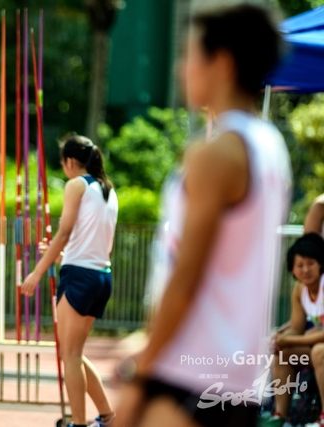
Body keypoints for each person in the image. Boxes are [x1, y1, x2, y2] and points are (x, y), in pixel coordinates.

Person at [113, 4, 291, 427]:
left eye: (190, 55)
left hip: (187, 372)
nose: (181, 68)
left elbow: (187, 274)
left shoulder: (216, 154)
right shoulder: (270, 146)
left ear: (223, 63)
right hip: (235, 378)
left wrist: (141, 370)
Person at [21, 133, 119, 427]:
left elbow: (63, 233)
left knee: (70, 355)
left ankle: (78, 423)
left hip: (80, 277)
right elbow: (99, 244)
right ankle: (107, 416)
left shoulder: (76, 185)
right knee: (74, 353)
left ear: (70, 161)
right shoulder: (108, 190)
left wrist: (38, 272)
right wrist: (62, 257)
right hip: (101, 276)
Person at [271, 233, 324, 425]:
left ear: (321, 265)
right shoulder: (299, 290)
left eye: (311, 263)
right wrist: (280, 339)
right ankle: (280, 417)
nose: (305, 270)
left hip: (320, 349)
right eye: (299, 265)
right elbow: (297, 328)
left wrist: (290, 339)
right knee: (282, 353)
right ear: (292, 270)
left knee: (320, 351)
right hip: (316, 345)